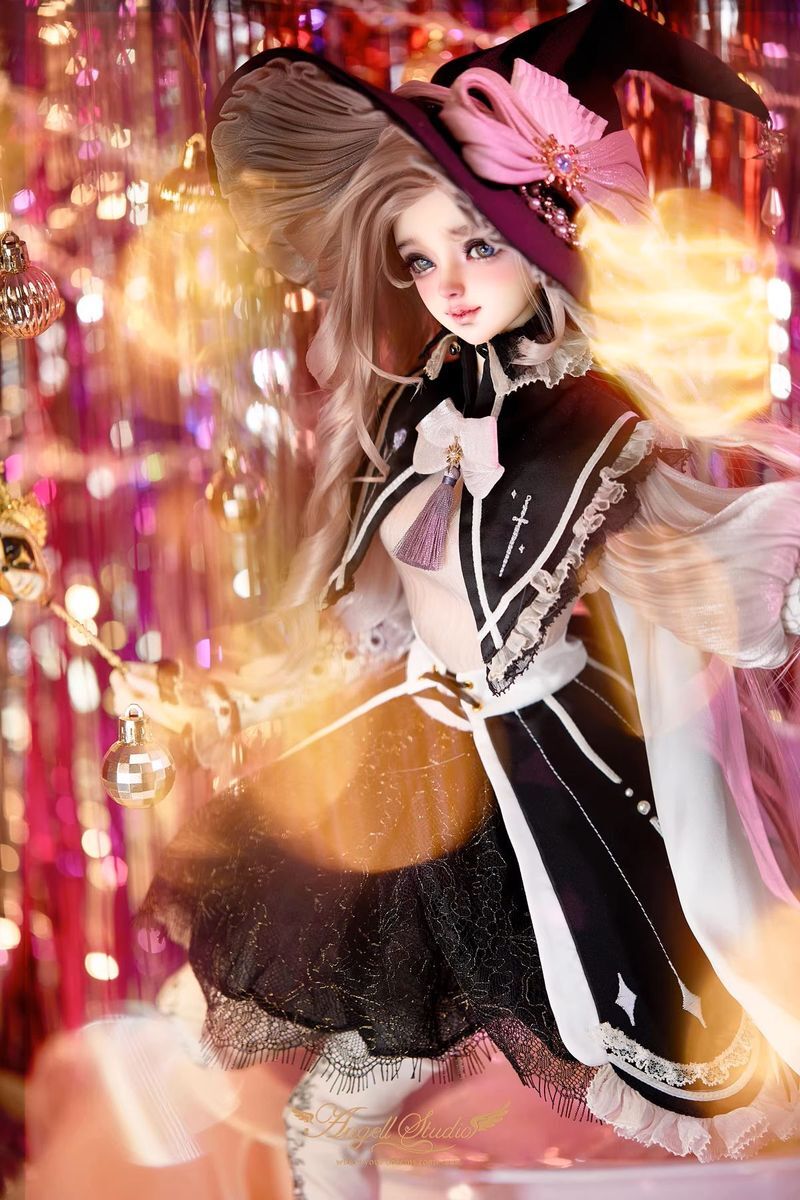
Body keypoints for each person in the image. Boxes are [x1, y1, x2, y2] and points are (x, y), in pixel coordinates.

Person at [112, 0, 800, 1191]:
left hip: (539, 783)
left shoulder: (589, 420)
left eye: (476, 246)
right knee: (319, 1095)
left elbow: (594, 603)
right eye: (420, 258)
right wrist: (244, 693)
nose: (446, 285)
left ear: (549, 230)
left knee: (349, 1100)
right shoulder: (433, 399)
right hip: (418, 761)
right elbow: (381, 610)